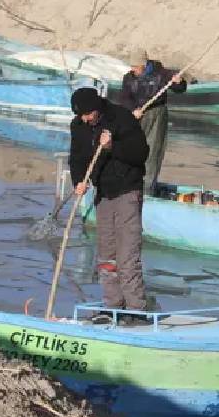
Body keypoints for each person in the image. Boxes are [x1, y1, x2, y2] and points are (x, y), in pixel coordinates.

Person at [69, 87, 150, 323]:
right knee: (106, 256)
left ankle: (136, 310)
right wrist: (79, 181)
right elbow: (76, 157)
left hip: (127, 190)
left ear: (96, 109)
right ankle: (113, 306)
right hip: (102, 192)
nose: (84, 119)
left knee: (127, 255)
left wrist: (112, 147)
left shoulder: (121, 118)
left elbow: (140, 154)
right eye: (80, 115)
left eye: (87, 115)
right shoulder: (78, 126)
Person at [120, 49, 187, 196]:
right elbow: (124, 98)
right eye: (132, 66)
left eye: (136, 67)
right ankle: (130, 184)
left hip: (157, 114)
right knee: (133, 150)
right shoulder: (128, 78)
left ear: (144, 65)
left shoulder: (161, 73)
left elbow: (180, 88)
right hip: (138, 115)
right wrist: (133, 110)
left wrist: (179, 82)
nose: (133, 69)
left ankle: (147, 189)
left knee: (153, 152)